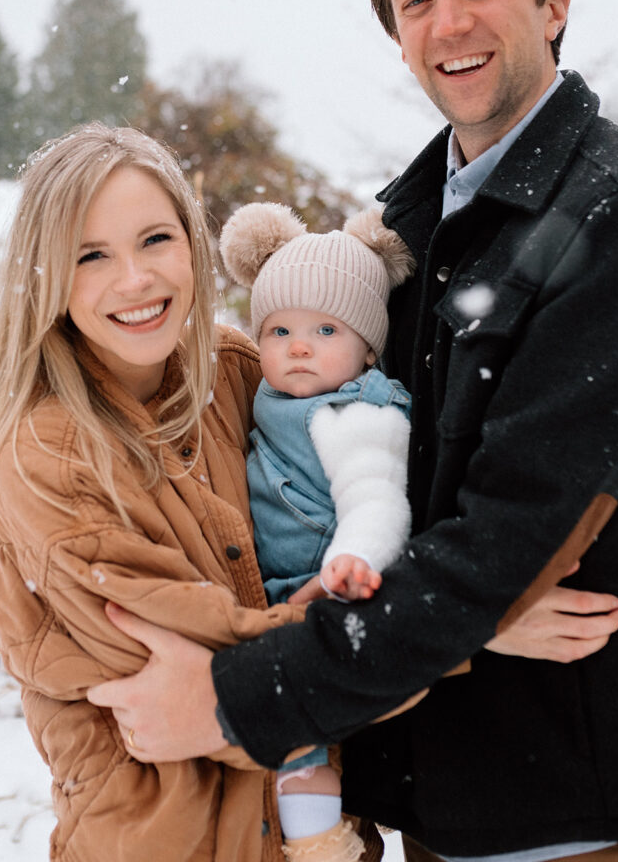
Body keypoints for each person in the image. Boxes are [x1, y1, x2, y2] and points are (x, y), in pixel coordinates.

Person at [87, 0, 618, 862]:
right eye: (416, 1)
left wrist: (235, 700)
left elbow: (507, 539)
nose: (448, 24)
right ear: (396, 35)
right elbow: (350, 501)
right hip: (434, 808)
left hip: (577, 823)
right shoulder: (400, 236)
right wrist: (477, 625)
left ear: (553, 4)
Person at [0, 123, 315, 862]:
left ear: (193, 246)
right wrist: (452, 630)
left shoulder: (242, 375)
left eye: (156, 239)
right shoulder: (46, 455)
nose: (135, 279)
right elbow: (196, 690)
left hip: (307, 836)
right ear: (46, 274)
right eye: (90, 255)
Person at [219, 200, 416, 860]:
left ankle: (321, 848)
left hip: (329, 595)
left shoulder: (355, 415)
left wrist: (353, 557)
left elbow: (377, 499)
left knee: (300, 749)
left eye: (326, 330)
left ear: (366, 350)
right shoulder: (266, 400)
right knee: (289, 744)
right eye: (278, 330)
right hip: (272, 604)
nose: (298, 345)